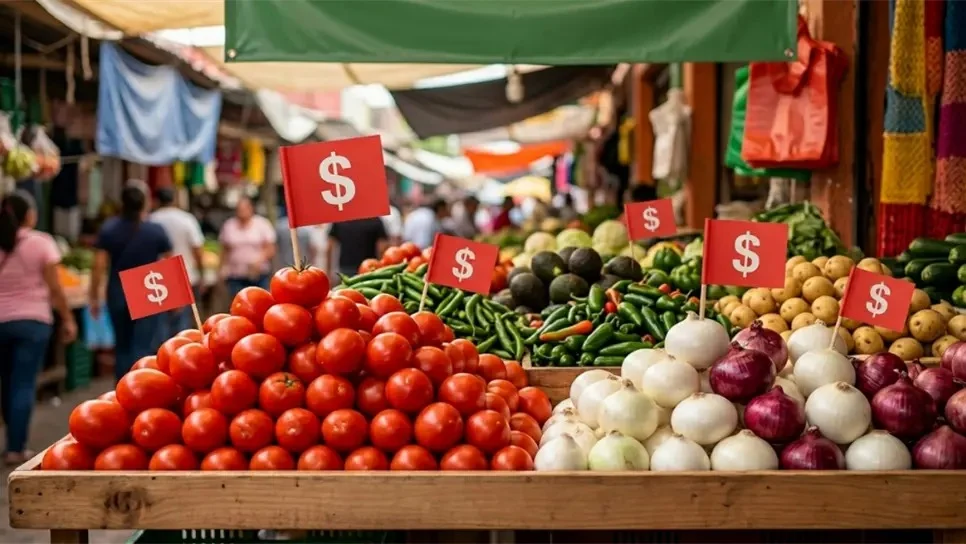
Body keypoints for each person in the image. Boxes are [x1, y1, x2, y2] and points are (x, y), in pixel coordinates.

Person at [0, 191, 77, 464]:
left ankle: (11, 436)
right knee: (22, 383)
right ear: (30, 215)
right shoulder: (41, 243)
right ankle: (15, 448)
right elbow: (55, 288)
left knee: (7, 383)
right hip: (32, 322)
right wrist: (68, 318)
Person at [90, 185, 172, 380]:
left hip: (117, 291)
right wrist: (173, 296)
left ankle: (123, 391)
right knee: (143, 345)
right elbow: (169, 262)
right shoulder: (155, 230)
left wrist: (93, 296)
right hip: (148, 289)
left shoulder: (109, 228)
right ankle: (142, 388)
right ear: (144, 203)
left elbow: (99, 265)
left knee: (122, 346)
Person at [150, 187, 205, 336]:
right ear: (174, 200)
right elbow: (197, 250)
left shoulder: (151, 220)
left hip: (156, 281)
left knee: (159, 328)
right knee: (182, 328)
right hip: (185, 275)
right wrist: (202, 274)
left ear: (156, 201)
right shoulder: (187, 219)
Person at [219, 196, 277, 299]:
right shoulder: (229, 225)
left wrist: (259, 260)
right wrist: (222, 268)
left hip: (258, 274)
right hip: (235, 275)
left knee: (260, 302)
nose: (242, 212)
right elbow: (225, 249)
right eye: (239, 209)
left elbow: (270, 248)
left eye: (244, 209)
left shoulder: (262, 224)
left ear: (251, 208)